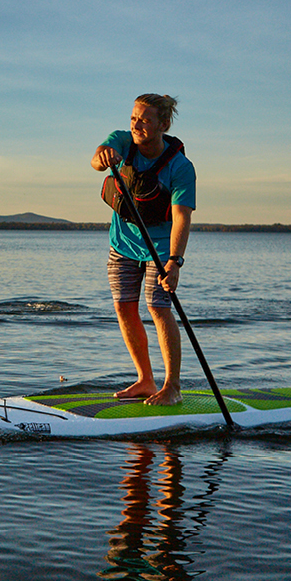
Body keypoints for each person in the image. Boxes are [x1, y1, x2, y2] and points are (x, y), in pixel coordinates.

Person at [90, 94, 196, 406]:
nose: (137, 125)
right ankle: (145, 380)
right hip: (122, 243)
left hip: (161, 249)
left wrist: (174, 262)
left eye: (146, 120)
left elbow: (181, 217)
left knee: (158, 307)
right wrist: (103, 157)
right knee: (124, 307)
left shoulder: (180, 167)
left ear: (163, 125)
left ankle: (172, 387)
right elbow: (96, 160)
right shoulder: (122, 142)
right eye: (135, 117)